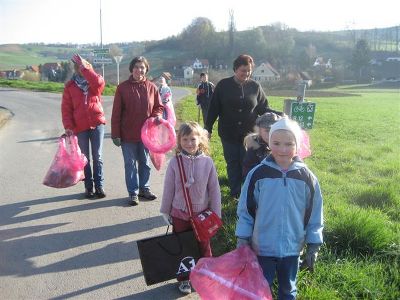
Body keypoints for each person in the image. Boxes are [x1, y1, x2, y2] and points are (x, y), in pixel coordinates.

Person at [235, 118, 324, 299]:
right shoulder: (257, 174)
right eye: (276, 143)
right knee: (260, 288)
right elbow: (245, 209)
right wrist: (243, 238)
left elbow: (315, 213)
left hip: (292, 247)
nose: (282, 149)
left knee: (288, 289)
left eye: (289, 144)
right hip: (262, 246)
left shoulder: (307, 177)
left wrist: (314, 243)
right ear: (269, 142)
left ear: (297, 145)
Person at [204, 54, 282, 199]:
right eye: (243, 70)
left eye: (248, 71)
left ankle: (248, 192)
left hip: (250, 134)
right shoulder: (223, 85)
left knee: (248, 163)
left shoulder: (255, 86)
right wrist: (207, 128)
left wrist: (279, 114)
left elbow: (263, 108)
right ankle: (235, 193)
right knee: (232, 162)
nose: (246, 74)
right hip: (228, 133)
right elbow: (213, 108)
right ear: (235, 69)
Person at [160, 121, 222, 295]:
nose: (189, 143)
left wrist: (216, 213)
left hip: (202, 216)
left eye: (193, 139)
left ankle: (205, 275)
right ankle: (184, 279)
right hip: (180, 214)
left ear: (200, 139)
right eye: (185, 139)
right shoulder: (174, 163)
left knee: (204, 247)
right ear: (179, 141)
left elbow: (214, 190)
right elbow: (169, 188)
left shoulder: (208, 162)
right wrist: (165, 210)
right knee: (182, 248)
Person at [111, 56, 164, 206]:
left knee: (145, 163)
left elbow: (159, 107)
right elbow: (116, 113)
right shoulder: (122, 88)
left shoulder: (152, 87)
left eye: (142, 67)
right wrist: (115, 134)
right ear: (131, 69)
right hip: (128, 134)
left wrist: (156, 116)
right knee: (130, 164)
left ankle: (144, 189)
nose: (139, 70)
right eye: (136, 67)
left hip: (147, 134)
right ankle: (133, 192)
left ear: (146, 69)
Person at [61, 53, 106, 199]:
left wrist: (86, 69)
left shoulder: (95, 81)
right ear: (76, 68)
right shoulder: (70, 86)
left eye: (85, 66)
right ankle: (88, 187)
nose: (82, 69)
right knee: (84, 157)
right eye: (80, 67)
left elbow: (99, 84)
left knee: (97, 156)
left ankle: (99, 186)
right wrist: (68, 126)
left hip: (97, 123)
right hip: (80, 127)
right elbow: (66, 109)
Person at [242, 112, 281, 178]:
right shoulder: (255, 147)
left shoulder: (283, 145)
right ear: (259, 131)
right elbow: (248, 170)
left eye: (274, 130)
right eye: (267, 130)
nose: (270, 133)